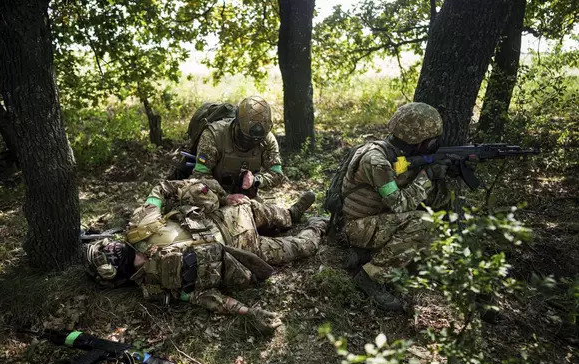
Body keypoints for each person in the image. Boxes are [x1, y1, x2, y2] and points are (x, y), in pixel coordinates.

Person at [84, 178, 325, 332]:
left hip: (229, 217)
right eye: (107, 256)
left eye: (106, 248)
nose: (112, 251)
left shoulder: (141, 225)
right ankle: (318, 226)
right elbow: (205, 298)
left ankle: (292, 214)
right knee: (301, 247)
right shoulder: (157, 285)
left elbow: (161, 188)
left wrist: (218, 198)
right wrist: (249, 312)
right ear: (114, 274)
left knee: (277, 216)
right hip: (245, 253)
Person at [338, 102, 454, 311]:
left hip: (371, 222)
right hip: (355, 227)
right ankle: (369, 278)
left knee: (432, 230)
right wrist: (427, 176)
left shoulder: (394, 155)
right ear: (421, 141)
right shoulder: (377, 161)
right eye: (431, 140)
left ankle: (365, 254)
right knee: (424, 222)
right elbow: (400, 205)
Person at [191, 96, 285, 196]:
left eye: (258, 140)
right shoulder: (214, 135)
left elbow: (277, 174)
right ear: (237, 123)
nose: (252, 143)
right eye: (247, 138)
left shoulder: (268, 140)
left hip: (245, 198)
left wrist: (255, 180)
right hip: (213, 195)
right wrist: (225, 198)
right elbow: (200, 175)